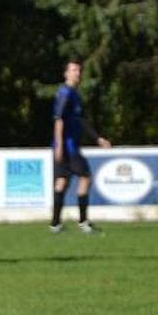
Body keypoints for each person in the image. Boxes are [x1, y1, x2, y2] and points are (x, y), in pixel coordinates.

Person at [49, 59, 111, 233]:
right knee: (85, 177)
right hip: (67, 147)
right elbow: (58, 119)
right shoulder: (65, 93)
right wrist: (59, 145)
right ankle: (83, 222)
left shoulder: (74, 94)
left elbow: (81, 120)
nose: (78, 73)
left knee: (62, 181)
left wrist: (97, 138)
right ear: (66, 73)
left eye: (79, 70)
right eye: (74, 70)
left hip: (66, 146)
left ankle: (55, 224)